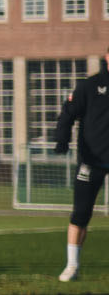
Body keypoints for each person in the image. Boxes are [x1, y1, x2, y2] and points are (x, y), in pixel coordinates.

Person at [54, 52, 109, 282]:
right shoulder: (90, 86)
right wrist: (62, 139)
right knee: (81, 213)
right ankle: (72, 265)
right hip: (91, 161)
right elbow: (68, 114)